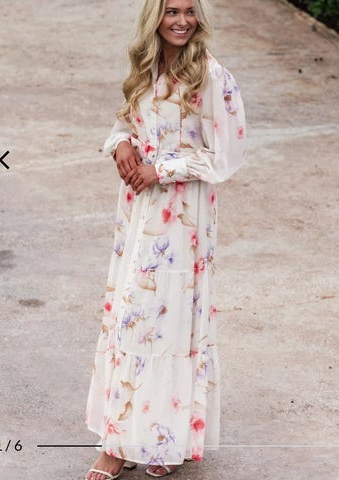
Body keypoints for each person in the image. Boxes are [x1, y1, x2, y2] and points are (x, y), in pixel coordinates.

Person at [84, 0, 246, 478]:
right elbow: (127, 122)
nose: (181, 21)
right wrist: (121, 144)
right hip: (137, 213)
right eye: (171, 11)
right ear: (154, 17)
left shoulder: (211, 76)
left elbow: (226, 155)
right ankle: (127, 439)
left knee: (164, 321)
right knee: (130, 317)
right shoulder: (146, 65)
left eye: (189, 11)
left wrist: (163, 169)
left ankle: (155, 441)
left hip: (182, 218)